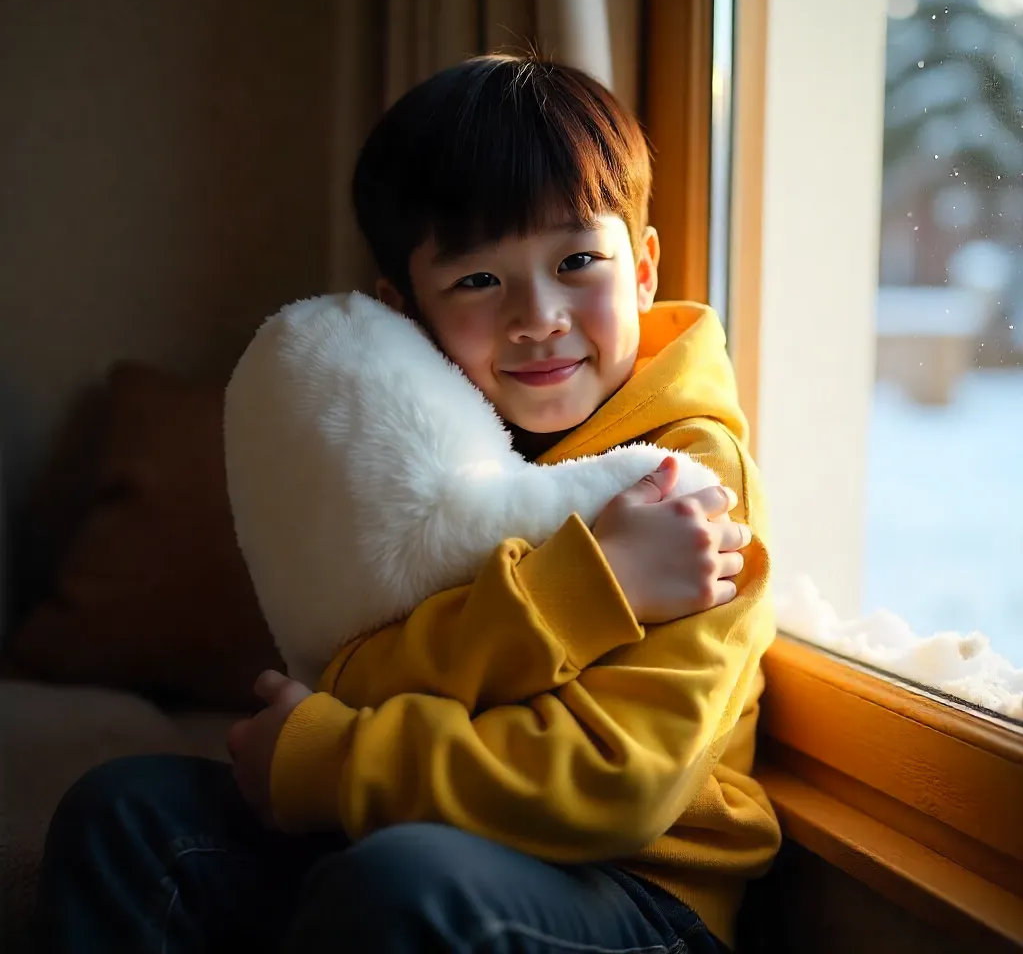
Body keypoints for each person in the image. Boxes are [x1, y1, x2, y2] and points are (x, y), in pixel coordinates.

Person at [34, 54, 781, 953]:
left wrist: (331, 759)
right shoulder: (412, 438)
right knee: (125, 816)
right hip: (417, 828)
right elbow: (348, 663)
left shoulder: (685, 479)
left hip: (636, 892)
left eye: (578, 260)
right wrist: (564, 597)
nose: (538, 316)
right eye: (478, 281)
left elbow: (618, 786)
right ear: (406, 312)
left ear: (645, 267)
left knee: (400, 888)